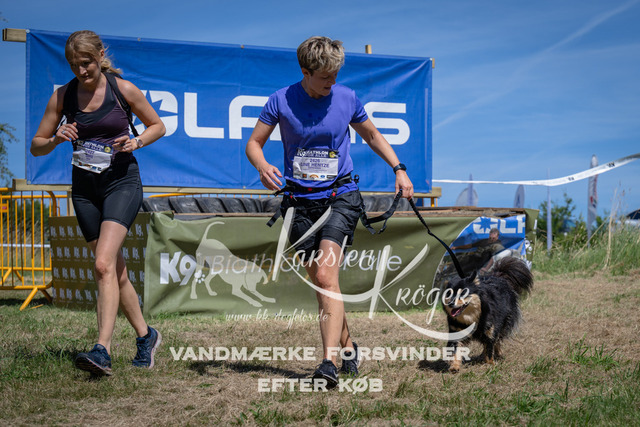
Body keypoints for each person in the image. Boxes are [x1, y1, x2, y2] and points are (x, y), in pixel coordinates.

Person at [246, 36, 413, 387]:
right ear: (305, 72)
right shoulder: (280, 100)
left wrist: (399, 168)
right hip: (299, 202)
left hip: (340, 195)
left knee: (325, 276)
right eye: (325, 76)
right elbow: (254, 143)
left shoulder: (347, 98)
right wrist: (261, 165)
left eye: (336, 75)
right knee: (324, 283)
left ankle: (328, 363)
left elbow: (372, 135)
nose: (332, 82)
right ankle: (349, 346)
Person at [31, 30, 166, 376]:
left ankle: (102, 350)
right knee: (113, 270)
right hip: (84, 191)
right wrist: (56, 138)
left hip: (121, 183)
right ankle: (146, 336)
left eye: (86, 63)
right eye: (74, 65)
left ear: (100, 55)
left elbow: (157, 126)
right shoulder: (63, 96)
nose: (81, 71)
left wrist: (136, 141)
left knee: (103, 265)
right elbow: (36, 145)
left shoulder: (123, 90)